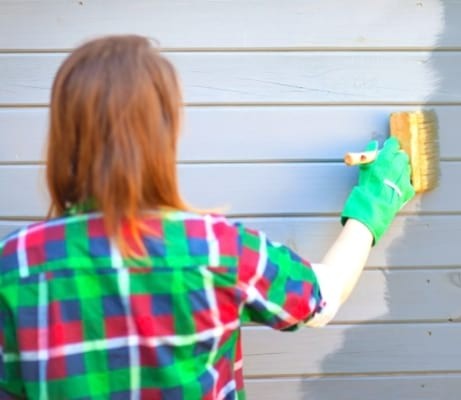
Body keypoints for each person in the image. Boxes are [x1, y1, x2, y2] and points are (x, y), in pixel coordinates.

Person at [0, 35, 414, 400]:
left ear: (64, 136)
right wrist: (373, 203)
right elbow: (321, 298)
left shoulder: (13, 262)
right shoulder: (216, 249)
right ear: (164, 134)